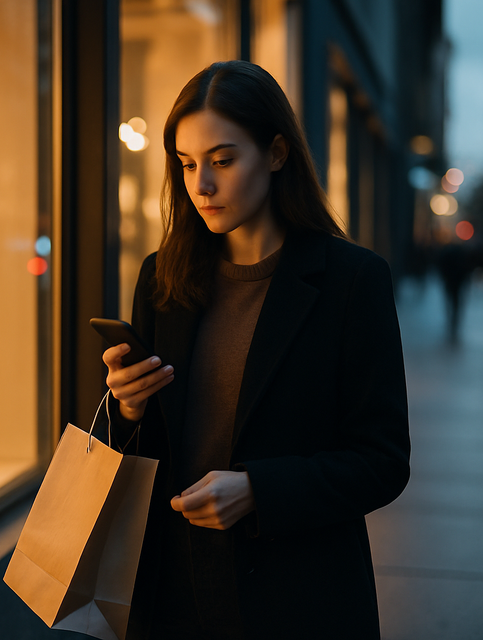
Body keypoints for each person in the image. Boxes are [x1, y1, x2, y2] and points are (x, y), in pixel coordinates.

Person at [101, 61, 410, 639]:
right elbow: (145, 454)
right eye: (187, 164)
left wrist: (258, 491)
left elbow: (382, 462)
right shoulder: (162, 278)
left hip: (297, 598)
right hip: (172, 592)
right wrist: (131, 409)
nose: (202, 186)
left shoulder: (350, 281)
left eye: (222, 160)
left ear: (275, 153)